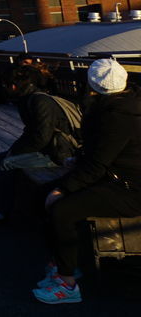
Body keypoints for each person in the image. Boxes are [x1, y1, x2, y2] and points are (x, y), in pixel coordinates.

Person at [34, 57, 141, 305]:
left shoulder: (118, 115)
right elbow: (101, 155)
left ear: (92, 84)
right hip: (115, 179)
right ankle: (62, 263)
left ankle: (67, 282)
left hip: (130, 189)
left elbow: (98, 163)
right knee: (42, 195)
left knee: (62, 209)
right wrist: (77, 161)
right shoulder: (122, 104)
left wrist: (64, 188)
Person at [0, 61, 81, 223]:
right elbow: (32, 134)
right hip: (48, 148)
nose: (5, 88)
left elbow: (41, 136)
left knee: (6, 163)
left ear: (14, 86)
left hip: (58, 153)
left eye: (6, 85)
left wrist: (16, 152)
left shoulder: (39, 102)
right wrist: (15, 150)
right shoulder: (28, 99)